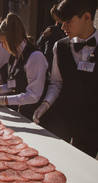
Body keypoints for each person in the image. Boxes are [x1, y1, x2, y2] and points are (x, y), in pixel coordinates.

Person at [33, 0, 98, 158]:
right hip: (65, 121)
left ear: (87, 17)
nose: (62, 28)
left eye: (68, 22)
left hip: (92, 125)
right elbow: (56, 82)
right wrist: (45, 104)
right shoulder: (59, 46)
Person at [0, 13, 48, 120]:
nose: (2, 46)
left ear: (11, 39)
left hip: (37, 115)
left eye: (3, 42)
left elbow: (33, 95)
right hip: (21, 113)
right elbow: (13, 85)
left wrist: (2, 100)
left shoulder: (35, 57)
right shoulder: (14, 57)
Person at [37, 4, 66, 71]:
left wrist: (43, 36)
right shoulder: (52, 29)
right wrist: (43, 36)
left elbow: (38, 43)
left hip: (55, 59)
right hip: (50, 60)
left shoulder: (62, 29)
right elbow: (38, 43)